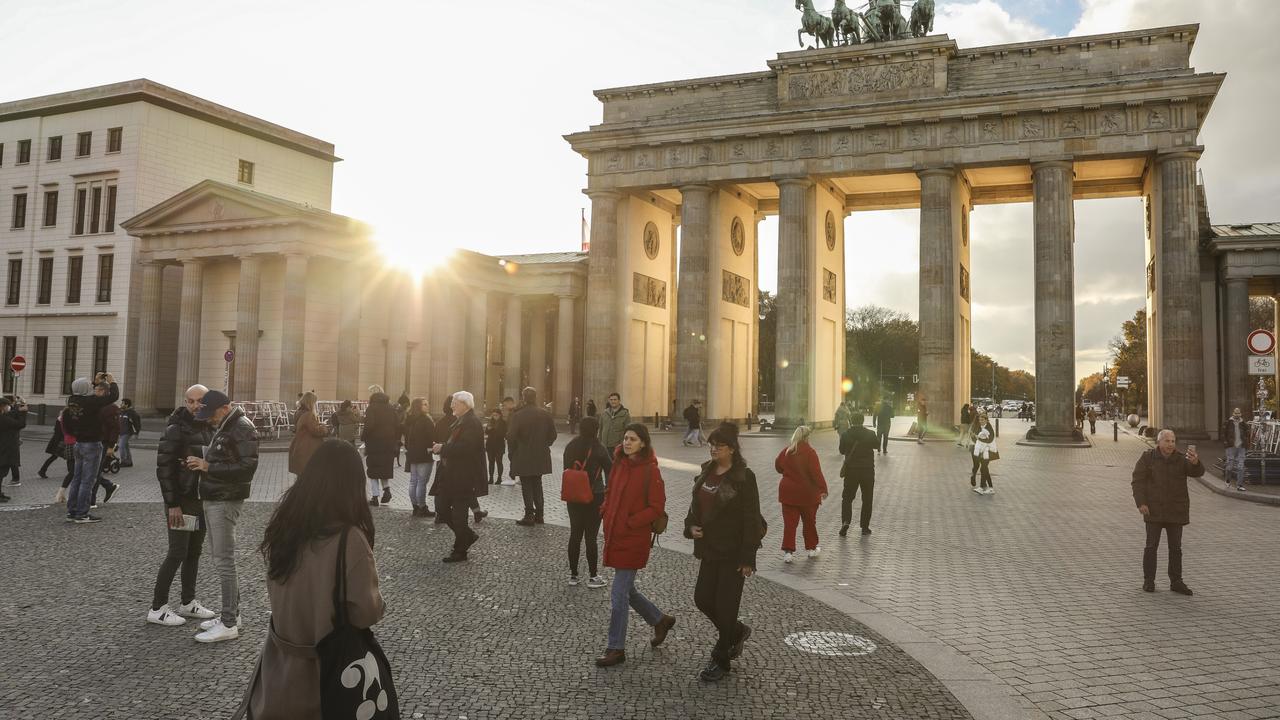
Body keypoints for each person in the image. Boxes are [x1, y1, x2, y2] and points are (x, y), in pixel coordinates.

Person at [237, 439, 385, 719]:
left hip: (276, 670)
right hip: (326, 678)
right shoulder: (349, 539)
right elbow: (365, 612)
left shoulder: (285, 525)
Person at [683, 423, 761, 682]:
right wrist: (690, 526)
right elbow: (696, 507)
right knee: (703, 599)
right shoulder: (707, 471)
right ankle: (736, 632)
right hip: (709, 549)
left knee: (726, 607)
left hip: (732, 551)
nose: (714, 448)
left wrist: (748, 557)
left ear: (732, 449)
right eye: (712, 444)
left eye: (719, 445)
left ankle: (721, 659)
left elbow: (752, 519)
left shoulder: (744, 478)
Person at [596, 423, 675, 668]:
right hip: (615, 534)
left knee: (619, 594)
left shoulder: (651, 471)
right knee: (627, 590)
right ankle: (659, 619)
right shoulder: (619, 462)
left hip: (632, 538)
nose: (628, 442)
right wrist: (605, 510)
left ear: (643, 443)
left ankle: (616, 647)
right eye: (626, 438)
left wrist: (631, 522)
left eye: (633, 439)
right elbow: (610, 491)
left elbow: (656, 507)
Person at [185, 390, 259, 642]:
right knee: (222, 559)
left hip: (225, 499)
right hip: (216, 495)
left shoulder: (240, 426)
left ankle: (229, 623)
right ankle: (232, 615)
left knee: (224, 561)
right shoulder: (230, 424)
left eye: (212, 413)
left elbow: (247, 467)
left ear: (225, 408)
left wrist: (208, 466)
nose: (209, 419)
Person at [147, 384, 217, 628]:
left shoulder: (209, 427)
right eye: (191, 401)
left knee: (193, 553)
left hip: (200, 500)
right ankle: (157, 608)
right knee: (177, 552)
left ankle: (188, 602)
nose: (195, 405)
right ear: (185, 402)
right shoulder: (175, 428)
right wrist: (172, 504)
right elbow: (164, 470)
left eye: (200, 401)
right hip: (182, 501)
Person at [1131, 430, 1202, 595]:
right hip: (1153, 510)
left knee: (1176, 548)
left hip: (1175, 511)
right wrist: (1141, 503)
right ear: (1159, 442)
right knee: (1151, 547)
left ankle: (1176, 582)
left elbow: (1197, 472)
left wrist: (1196, 462)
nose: (1171, 444)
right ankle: (1149, 581)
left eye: (1173, 441)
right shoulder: (1147, 458)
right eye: (1167, 441)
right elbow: (1137, 481)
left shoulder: (1181, 459)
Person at [431, 391, 487, 563]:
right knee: (441, 507)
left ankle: (460, 550)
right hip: (452, 475)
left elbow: (467, 448)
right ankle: (467, 536)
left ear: (464, 404)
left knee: (459, 516)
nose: (451, 405)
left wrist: (443, 448)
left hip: (464, 476)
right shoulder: (462, 421)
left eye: (454, 402)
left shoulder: (472, 423)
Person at [62, 372, 119, 523]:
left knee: (77, 478)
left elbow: (66, 425)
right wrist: (112, 382)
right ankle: (82, 513)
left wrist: (76, 433)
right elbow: (113, 396)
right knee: (88, 480)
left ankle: (72, 511)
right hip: (92, 444)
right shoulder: (91, 402)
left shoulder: (71, 401)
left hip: (78, 443)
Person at [562, 416, 612, 588]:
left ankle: (573, 575)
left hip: (574, 495)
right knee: (591, 537)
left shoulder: (571, 446)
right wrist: (606, 489)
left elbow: (566, 469)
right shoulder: (599, 448)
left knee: (575, 534)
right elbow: (610, 471)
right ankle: (593, 576)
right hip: (594, 495)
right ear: (596, 430)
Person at [775, 425, 828, 562]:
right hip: (807, 494)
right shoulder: (810, 452)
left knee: (790, 524)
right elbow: (816, 473)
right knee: (809, 522)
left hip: (788, 492)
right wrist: (823, 489)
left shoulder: (787, 451)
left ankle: (788, 552)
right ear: (807, 437)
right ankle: (811, 549)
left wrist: (787, 474)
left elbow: (778, 466)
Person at [507, 387, 557, 526]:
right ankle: (540, 515)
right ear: (535, 397)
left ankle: (529, 514)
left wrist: (513, 452)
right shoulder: (545, 414)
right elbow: (553, 435)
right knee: (537, 484)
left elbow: (510, 436)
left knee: (526, 485)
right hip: (540, 454)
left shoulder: (518, 415)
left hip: (523, 454)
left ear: (523, 397)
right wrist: (544, 445)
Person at [838, 413, 877, 536]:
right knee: (867, 498)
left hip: (851, 471)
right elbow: (877, 446)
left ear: (851, 420)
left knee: (847, 498)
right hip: (867, 470)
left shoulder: (845, 434)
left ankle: (846, 521)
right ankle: (865, 527)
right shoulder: (870, 434)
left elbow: (841, 450)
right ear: (863, 420)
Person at [361, 386, 399, 506]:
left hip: (374, 444)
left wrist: (364, 436)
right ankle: (386, 489)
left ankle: (375, 496)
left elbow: (369, 425)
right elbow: (398, 425)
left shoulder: (372, 408)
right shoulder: (391, 408)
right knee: (383, 469)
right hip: (388, 444)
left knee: (373, 470)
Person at [403, 397, 437, 518]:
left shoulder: (409, 420)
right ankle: (422, 507)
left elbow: (405, 438)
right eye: (424, 404)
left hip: (412, 454)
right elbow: (432, 437)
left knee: (414, 481)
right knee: (421, 482)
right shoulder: (426, 420)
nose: (427, 406)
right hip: (424, 453)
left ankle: (415, 506)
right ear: (418, 406)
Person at [92, 387, 123, 506]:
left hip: (104, 442)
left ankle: (91, 500)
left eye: (99, 390)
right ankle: (109, 486)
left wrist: (111, 446)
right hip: (96, 440)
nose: (96, 392)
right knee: (94, 471)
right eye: (95, 389)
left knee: (96, 470)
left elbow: (115, 428)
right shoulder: (97, 405)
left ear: (105, 392)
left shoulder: (111, 408)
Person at [287, 391, 325, 480]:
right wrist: (323, 427)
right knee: (309, 476)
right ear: (311, 402)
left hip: (299, 445)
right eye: (314, 402)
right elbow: (315, 430)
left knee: (301, 476)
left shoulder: (298, 412)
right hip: (308, 447)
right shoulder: (309, 414)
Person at [0, 397, 27, 502]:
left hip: (4, 448)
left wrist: (18, 409)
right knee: (1, 472)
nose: (8, 407)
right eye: (7, 405)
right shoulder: (3, 419)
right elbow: (20, 424)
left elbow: (11, 416)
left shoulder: (3, 417)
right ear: (2, 406)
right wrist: (23, 413)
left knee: (2, 472)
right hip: (4, 449)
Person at [37, 408, 72, 481]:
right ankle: (70, 473)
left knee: (57, 457)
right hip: (61, 442)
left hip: (60, 441)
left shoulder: (60, 420)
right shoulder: (62, 421)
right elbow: (60, 432)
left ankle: (42, 470)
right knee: (68, 457)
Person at [970, 413, 997, 494]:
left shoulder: (989, 427)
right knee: (985, 469)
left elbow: (990, 439)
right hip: (980, 451)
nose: (980, 421)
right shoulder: (979, 427)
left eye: (982, 420)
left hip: (988, 451)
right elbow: (974, 437)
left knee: (983, 468)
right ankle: (991, 488)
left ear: (986, 420)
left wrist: (979, 439)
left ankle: (982, 487)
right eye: (979, 420)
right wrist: (975, 437)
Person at [1222, 407, 1248, 492]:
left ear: (1240, 414)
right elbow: (1224, 434)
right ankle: (1227, 479)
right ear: (1233, 413)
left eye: (1238, 413)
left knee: (1241, 466)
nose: (1237, 415)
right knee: (1230, 466)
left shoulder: (1243, 423)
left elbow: (1247, 432)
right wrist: (1226, 443)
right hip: (1231, 447)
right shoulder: (1228, 422)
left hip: (1241, 447)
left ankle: (1239, 485)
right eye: (1236, 413)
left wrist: (1245, 443)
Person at [484, 408, 507, 485]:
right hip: (490, 445)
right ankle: (490, 478)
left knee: (499, 462)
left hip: (499, 445)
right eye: (493, 415)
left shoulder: (503, 423)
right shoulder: (490, 422)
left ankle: (499, 478)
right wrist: (488, 428)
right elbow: (486, 432)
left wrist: (492, 429)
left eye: (496, 415)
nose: (494, 417)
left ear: (500, 415)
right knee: (491, 462)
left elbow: (502, 433)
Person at [119, 398, 142, 467]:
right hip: (121, 432)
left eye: (122, 403)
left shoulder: (131, 413)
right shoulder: (121, 412)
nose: (121, 404)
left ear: (127, 404)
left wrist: (136, 433)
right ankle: (129, 462)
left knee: (121, 446)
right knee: (126, 447)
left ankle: (124, 461)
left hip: (127, 432)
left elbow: (137, 423)